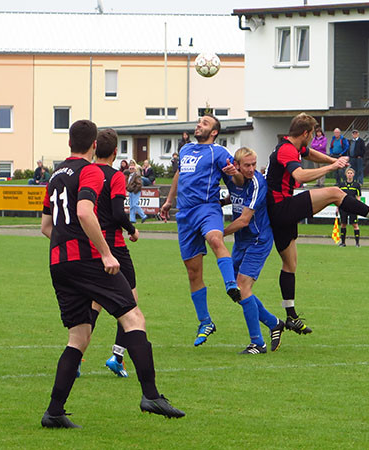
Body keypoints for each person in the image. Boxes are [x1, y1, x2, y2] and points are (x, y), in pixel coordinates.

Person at [40, 119, 184, 429]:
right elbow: (83, 211)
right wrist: (105, 252)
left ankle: (53, 412)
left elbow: (46, 227)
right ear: (94, 145)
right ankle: (151, 395)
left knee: (78, 337)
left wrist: (66, 247)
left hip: (58, 262)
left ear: (68, 144)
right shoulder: (89, 170)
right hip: (88, 260)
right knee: (134, 318)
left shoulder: (55, 175)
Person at [266, 113, 369, 335]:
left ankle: (291, 316)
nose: (312, 139)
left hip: (280, 211)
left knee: (290, 265)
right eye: (312, 134)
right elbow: (301, 174)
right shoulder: (286, 149)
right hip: (281, 208)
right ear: (305, 133)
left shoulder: (292, 144)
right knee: (334, 192)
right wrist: (332, 168)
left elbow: (310, 153)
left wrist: (333, 160)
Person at [160, 114, 244, 347]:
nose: (199, 125)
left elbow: (238, 180)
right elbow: (179, 174)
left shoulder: (218, 152)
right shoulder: (186, 149)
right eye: (199, 122)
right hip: (185, 214)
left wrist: (233, 173)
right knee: (193, 273)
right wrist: (169, 200)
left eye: (204, 123)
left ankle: (231, 285)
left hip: (207, 208)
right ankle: (205, 321)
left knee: (216, 239)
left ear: (214, 131)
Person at [223, 147, 286, 355]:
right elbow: (234, 196)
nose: (251, 169)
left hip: (258, 240)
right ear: (237, 165)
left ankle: (257, 343)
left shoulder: (258, 183)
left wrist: (217, 234)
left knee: (241, 286)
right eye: (247, 165)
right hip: (241, 241)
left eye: (253, 164)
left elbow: (244, 220)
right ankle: (273, 322)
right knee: (234, 289)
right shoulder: (230, 175)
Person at [90, 128, 140, 378]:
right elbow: (119, 213)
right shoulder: (116, 177)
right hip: (114, 247)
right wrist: (132, 229)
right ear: (115, 152)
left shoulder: (85, 173)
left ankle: (76, 357)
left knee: (95, 302)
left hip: (89, 246)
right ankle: (118, 356)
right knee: (130, 301)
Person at [337, 167, 362, 247]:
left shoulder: (356, 185)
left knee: (355, 224)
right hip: (343, 207)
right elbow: (338, 196)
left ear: (353, 175)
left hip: (353, 207)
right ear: (346, 174)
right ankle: (343, 242)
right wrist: (337, 207)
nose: (350, 175)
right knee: (343, 224)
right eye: (348, 173)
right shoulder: (341, 185)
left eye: (351, 173)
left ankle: (357, 243)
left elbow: (358, 197)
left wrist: (357, 207)